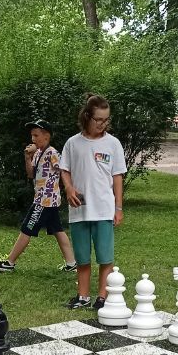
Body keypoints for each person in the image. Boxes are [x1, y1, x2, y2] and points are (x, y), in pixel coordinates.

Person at [60, 94, 126, 310]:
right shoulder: (73, 143)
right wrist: (68, 187)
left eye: (106, 120)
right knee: (82, 257)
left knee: (105, 257)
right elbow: (64, 169)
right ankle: (83, 296)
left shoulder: (113, 144)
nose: (102, 124)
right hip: (79, 210)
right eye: (98, 120)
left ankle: (102, 297)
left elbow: (117, 176)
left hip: (104, 209)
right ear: (87, 116)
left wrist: (118, 207)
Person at [0, 119, 76, 273]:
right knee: (57, 230)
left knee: (27, 228)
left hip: (45, 200)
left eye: (36, 135)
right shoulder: (37, 153)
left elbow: (65, 170)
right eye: (32, 135)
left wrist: (70, 188)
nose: (32, 139)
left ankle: (10, 262)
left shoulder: (52, 153)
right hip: (43, 199)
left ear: (46, 136)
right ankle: (71, 263)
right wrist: (27, 157)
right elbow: (31, 174)